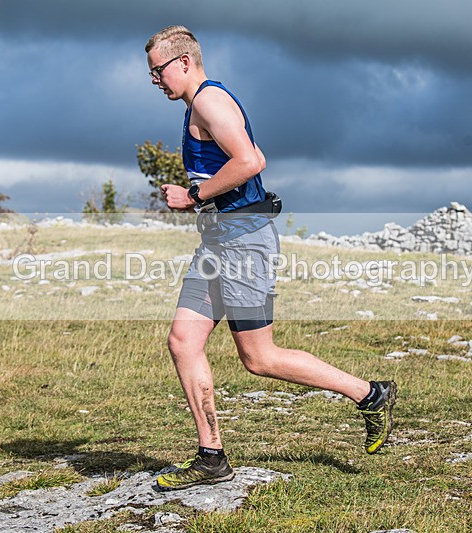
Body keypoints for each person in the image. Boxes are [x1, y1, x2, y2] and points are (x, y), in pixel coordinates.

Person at [145, 25, 396, 491]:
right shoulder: (200, 104)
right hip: (219, 243)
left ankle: (369, 394)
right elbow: (253, 151)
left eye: (157, 71)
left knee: (259, 358)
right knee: (183, 341)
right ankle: (211, 456)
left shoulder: (209, 101)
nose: (154, 80)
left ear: (183, 62)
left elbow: (251, 161)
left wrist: (194, 195)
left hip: (244, 242)